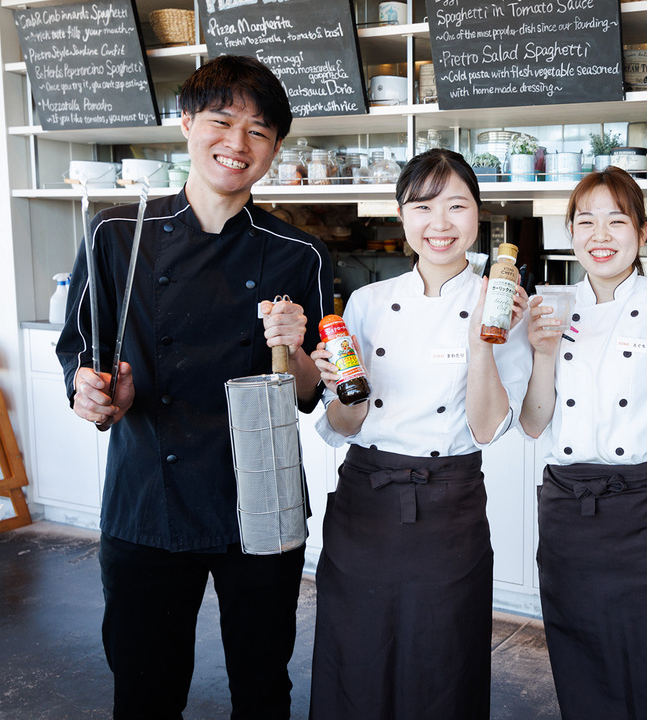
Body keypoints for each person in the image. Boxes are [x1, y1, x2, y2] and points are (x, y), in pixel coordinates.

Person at [58, 55, 332, 718]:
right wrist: (94, 396)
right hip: (150, 494)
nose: (237, 144)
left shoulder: (298, 254)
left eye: (260, 132)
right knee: (145, 691)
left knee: (264, 688)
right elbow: (83, 360)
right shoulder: (116, 234)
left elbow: (307, 392)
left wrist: (295, 349)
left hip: (260, 499)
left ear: (275, 149)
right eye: (221, 120)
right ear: (185, 123)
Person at [308, 148, 531, 719]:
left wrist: (485, 343)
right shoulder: (365, 303)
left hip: (448, 502)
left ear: (477, 215)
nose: (440, 223)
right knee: (355, 654)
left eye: (456, 206)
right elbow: (341, 425)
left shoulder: (504, 304)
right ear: (402, 216)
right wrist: (338, 389)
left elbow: (486, 430)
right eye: (423, 207)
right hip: (365, 499)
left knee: (443, 659)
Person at [520, 166, 647, 719]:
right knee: (578, 655)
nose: (600, 235)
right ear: (570, 231)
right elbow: (535, 424)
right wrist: (540, 354)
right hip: (569, 510)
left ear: (643, 230)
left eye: (616, 219)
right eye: (585, 221)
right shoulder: (549, 309)